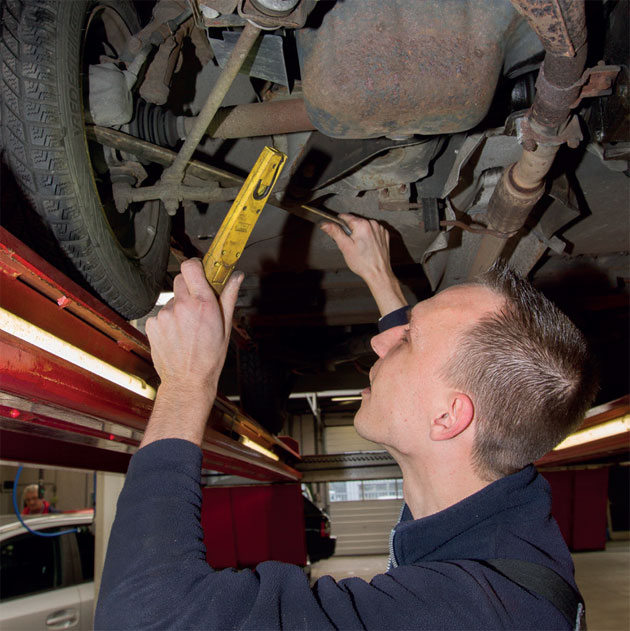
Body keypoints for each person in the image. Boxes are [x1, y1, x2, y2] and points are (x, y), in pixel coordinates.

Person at [96, 214, 597, 630]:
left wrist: (186, 384)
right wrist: (378, 275)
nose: (380, 341)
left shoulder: (466, 615)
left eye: (407, 339)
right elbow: (438, 372)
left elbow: (146, 618)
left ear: (448, 417)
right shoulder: (495, 512)